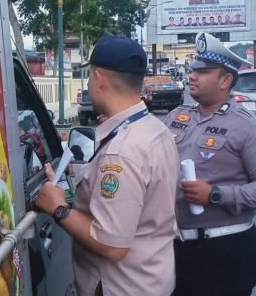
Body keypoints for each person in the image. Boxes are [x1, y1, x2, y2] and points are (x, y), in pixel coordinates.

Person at [35, 35, 180, 296]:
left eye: (89, 77)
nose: (89, 83)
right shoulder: (151, 128)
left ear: (99, 79)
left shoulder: (122, 151)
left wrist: (57, 208)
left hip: (121, 287)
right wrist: (69, 183)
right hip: (151, 279)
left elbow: (112, 245)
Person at [164, 32, 256, 296]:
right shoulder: (176, 117)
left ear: (225, 80)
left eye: (203, 71)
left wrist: (216, 194)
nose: (192, 76)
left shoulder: (248, 127)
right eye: (192, 69)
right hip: (174, 249)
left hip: (224, 252)